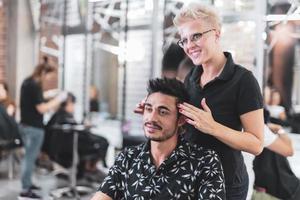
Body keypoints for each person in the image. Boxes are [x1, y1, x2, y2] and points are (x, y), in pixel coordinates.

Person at [173, 3, 264, 199]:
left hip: (226, 184)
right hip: (191, 178)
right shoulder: (191, 77)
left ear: (217, 33)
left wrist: (213, 127)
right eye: (184, 40)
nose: (189, 45)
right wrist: (156, 110)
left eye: (196, 36)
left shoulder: (243, 80)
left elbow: (256, 144)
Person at [91, 78, 225, 200]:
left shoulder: (205, 161)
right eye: (149, 109)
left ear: (181, 120)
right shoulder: (128, 158)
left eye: (163, 112)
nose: (152, 118)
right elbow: (102, 196)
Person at [19, 58, 67, 200]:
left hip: (27, 125)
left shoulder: (28, 82)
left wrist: (51, 94)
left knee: (30, 158)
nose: (49, 80)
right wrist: (58, 100)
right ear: (44, 73)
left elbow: (36, 99)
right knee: (29, 158)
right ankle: (25, 190)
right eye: (50, 77)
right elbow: (41, 108)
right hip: (33, 128)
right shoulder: (35, 85)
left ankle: (28, 184)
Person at [44, 92, 108, 181]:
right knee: (100, 143)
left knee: (98, 142)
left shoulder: (58, 116)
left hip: (58, 151)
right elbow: (77, 133)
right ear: (68, 104)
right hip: (66, 151)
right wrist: (85, 128)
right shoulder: (64, 117)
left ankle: (88, 171)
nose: (74, 107)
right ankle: (91, 170)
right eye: (73, 104)